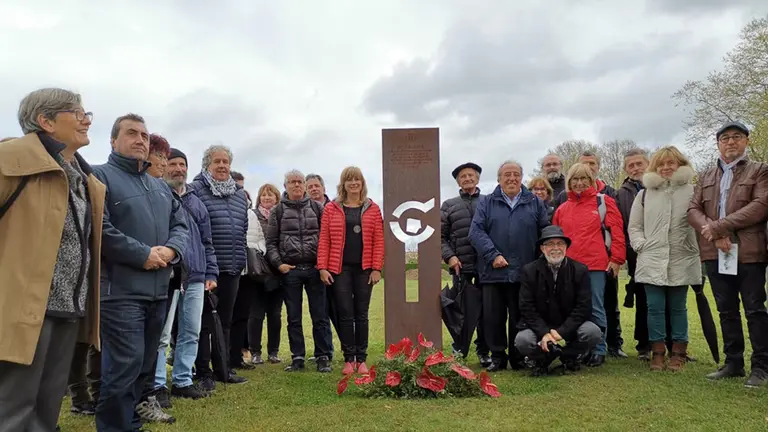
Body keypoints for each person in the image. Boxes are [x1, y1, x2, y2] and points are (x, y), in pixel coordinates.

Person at [0, 88, 105, 432]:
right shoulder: (10, 160)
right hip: (20, 310)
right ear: (45, 120)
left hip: (67, 310)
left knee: (46, 412)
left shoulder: (83, 178)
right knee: (12, 410)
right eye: (76, 113)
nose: (85, 120)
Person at [94, 113, 188, 430]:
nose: (140, 140)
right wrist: (142, 254)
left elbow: (181, 226)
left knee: (144, 369)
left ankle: (131, 423)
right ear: (113, 140)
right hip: (119, 293)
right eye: (132, 133)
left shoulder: (160, 188)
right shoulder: (99, 178)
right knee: (123, 369)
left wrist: (172, 250)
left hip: (158, 291)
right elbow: (100, 229)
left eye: (145, 136)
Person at [688, 121, 768, 387]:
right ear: (718, 144)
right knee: (726, 310)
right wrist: (714, 233)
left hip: (748, 252)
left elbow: (760, 206)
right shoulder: (706, 175)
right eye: (725, 138)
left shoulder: (760, 171)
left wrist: (719, 227)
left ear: (746, 140)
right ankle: (733, 362)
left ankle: (761, 367)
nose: (731, 142)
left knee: (754, 310)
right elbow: (693, 210)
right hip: (716, 252)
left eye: (736, 137)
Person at [151, 148, 218, 403]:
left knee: (192, 330)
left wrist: (211, 272)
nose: (178, 169)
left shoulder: (196, 202)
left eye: (182, 164)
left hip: (197, 276)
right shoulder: (158, 195)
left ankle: (182, 380)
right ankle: (157, 384)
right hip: (169, 275)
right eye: (173, 164)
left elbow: (207, 242)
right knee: (163, 334)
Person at [469, 160, 549, 372]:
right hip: (492, 272)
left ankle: (518, 357)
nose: (512, 178)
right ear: (499, 179)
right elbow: (475, 232)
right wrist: (492, 254)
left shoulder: (534, 202)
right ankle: (497, 357)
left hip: (524, 272)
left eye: (516, 174)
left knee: (519, 317)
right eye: (507, 175)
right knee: (493, 318)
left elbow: (545, 233)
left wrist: (539, 263)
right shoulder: (486, 202)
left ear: (522, 178)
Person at [628, 146, 700, 372]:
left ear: (680, 165)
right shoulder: (644, 194)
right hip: (652, 257)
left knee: (678, 307)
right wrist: (641, 245)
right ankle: (657, 352)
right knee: (654, 307)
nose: (667, 168)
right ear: (655, 167)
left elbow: (701, 222)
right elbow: (634, 226)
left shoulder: (693, 191)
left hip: (682, 257)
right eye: (662, 163)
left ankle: (679, 353)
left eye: (672, 163)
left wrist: (694, 247)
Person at [552, 163, 626, 367]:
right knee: (570, 308)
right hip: (568, 266)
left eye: (584, 178)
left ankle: (599, 349)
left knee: (595, 307)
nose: (579, 183)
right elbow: (556, 239)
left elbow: (617, 231)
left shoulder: (603, 202)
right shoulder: (562, 209)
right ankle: (578, 347)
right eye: (575, 179)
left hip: (595, 265)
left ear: (591, 180)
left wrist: (617, 259)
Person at [190, 144, 249, 384]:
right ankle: (202, 371)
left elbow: (243, 228)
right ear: (207, 165)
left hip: (232, 267)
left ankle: (223, 368)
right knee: (203, 323)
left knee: (225, 321)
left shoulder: (238, 194)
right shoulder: (196, 190)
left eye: (226, 162)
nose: (223, 166)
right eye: (218, 162)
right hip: (206, 269)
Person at [317, 166, 384, 375]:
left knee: (361, 315)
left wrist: (376, 268)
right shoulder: (331, 208)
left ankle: (361, 359)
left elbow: (379, 241)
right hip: (340, 269)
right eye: (349, 180)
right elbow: (324, 240)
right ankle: (349, 358)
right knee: (345, 314)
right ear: (343, 184)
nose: (354, 183)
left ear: (362, 183)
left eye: (357, 180)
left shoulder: (372, 208)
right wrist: (322, 267)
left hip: (364, 269)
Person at [266, 169, 332, 373]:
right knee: (293, 316)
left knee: (319, 315)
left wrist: (322, 265)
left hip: (314, 269)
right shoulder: (278, 211)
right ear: (285, 186)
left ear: (304, 185)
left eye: (299, 182)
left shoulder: (317, 208)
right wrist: (279, 265)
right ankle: (298, 357)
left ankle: (322, 356)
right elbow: (271, 242)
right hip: (291, 271)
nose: (296, 185)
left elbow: (326, 239)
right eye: (292, 182)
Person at [516, 225, 602, 376]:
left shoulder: (580, 270)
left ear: (566, 247)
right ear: (542, 249)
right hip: (540, 326)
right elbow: (526, 307)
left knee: (592, 332)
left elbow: (583, 307)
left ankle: (569, 357)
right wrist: (544, 332)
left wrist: (560, 332)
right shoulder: (529, 271)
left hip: (569, 325)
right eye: (550, 244)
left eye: (560, 244)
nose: (555, 248)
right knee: (522, 340)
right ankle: (541, 360)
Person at [440, 162, 490, 366]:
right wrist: (450, 258)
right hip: (462, 268)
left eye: (471, 175)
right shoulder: (449, 205)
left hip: (487, 269)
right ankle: (459, 350)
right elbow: (440, 238)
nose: (467, 179)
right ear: (458, 181)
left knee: (487, 313)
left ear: (477, 179)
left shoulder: (489, 201)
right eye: (463, 176)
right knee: (462, 313)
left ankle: (484, 350)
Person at [616, 148, 650, 359]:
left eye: (639, 164)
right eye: (631, 165)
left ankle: (674, 343)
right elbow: (621, 226)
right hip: (636, 254)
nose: (636, 168)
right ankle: (644, 345)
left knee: (670, 300)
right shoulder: (622, 194)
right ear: (626, 169)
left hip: (663, 252)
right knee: (644, 300)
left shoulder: (661, 186)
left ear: (647, 164)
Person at [245, 183, 285, 365]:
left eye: (271, 195)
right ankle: (255, 351)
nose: (267, 198)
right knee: (256, 314)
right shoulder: (252, 216)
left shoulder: (283, 215)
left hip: (277, 271)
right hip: (258, 271)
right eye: (263, 195)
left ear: (277, 198)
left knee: (275, 314)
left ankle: (273, 351)